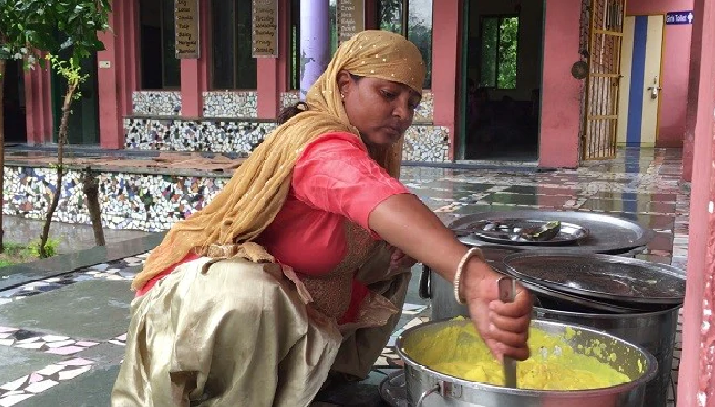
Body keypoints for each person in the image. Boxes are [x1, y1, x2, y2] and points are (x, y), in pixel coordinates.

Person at [110, 31, 532, 407]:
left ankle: (317, 383)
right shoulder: (316, 143)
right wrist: (473, 276)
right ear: (345, 85)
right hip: (199, 315)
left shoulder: (368, 152)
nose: (403, 113)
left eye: (412, 103)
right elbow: (362, 188)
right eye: (388, 94)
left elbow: (372, 216)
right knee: (248, 292)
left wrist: (393, 256)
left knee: (398, 254)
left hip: (289, 301)